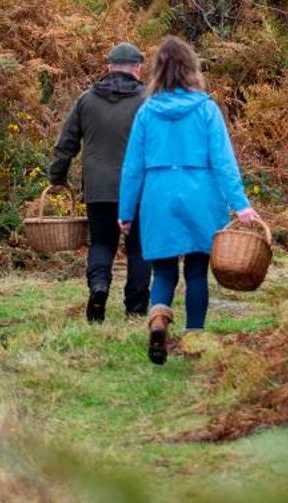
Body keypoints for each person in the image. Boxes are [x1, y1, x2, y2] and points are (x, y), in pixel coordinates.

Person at [117, 36, 261, 365]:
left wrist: (126, 211)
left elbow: (132, 167)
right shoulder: (206, 109)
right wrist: (240, 204)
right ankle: (195, 336)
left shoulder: (146, 112)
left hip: (158, 195)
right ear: (190, 68)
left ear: (157, 70)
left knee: (164, 272)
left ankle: (157, 321)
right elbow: (223, 162)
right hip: (201, 195)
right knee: (197, 271)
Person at [47, 41, 150, 322]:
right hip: (140, 191)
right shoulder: (148, 101)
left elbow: (66, 143)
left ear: (108, 68)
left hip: (99, 189)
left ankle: (99, 287)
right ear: (138, 69)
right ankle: (137, 308)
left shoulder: (87, 99)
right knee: (139, 248)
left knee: (102, 243)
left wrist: (57, 176)